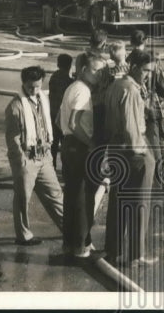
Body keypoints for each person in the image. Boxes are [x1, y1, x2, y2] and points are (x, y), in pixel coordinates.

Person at [102, 49, 158, 266]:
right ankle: (136, 255)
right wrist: (142, 153)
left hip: (116, 148)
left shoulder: (116, 85)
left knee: (118, 201)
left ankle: (113, 251)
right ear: (134, 67)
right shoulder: (131, 91)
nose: (148, 75)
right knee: (139, 205)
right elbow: (131, 126)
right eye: (146, 71)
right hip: (133, 152)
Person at [4, 66, 65, 246]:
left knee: (56, 195)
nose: (35, 90)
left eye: (38, 86)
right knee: (23, 198)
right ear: (23, 83)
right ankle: (23, 235)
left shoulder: (43, 99)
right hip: (26, 158)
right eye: (31, 87)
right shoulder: (15, 107)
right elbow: (12, 139)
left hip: (44, 157)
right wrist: (21, 161)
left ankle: (69, 229)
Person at [58, 54, 106, 258]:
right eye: (96, 70)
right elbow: (73, 124)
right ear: (84, 69)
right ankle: (81, 247)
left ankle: (69, 244)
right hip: (79, 147)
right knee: (83, 199)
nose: (99, 75)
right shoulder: (82, 91)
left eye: (102, 71)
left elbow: (59, 120)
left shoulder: (72, 87)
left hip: (69, 146)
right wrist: (91, 144)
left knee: (71, 196)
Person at [128, 30, 164, 196]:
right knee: (160, 142)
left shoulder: (139, 61)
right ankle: (163, 176)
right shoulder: (157, 66)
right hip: (158, 110)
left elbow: (144, 88)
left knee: (154, 145)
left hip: (150, 110)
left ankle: (158, 181)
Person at [47, 53, 74, 170]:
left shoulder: (54, 77)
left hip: (53, 112)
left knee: (53, 143)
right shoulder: (69, 81)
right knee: (65, 145)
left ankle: (51, 166)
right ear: (70, 66)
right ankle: (66, 169)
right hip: (63, 116)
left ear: (58, 64)